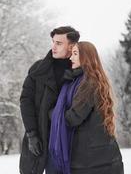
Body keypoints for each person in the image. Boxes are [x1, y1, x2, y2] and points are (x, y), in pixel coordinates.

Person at [47, 41, 124, 174]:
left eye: (75, 54)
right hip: (98, 159)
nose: (71, 57)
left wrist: (51, 112)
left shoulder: (89, 83)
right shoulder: (85, 81)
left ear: (86, 57)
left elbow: (73, 118)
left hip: (93, 162)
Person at [19, 26, 80, 174]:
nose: (53, 47)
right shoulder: (38, 69)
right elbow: (25, 101)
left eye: (59, 43)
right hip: (39, 137)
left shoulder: (79, 72)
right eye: (53, 42)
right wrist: (32, 133)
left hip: (68, 142)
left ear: (71, 46)